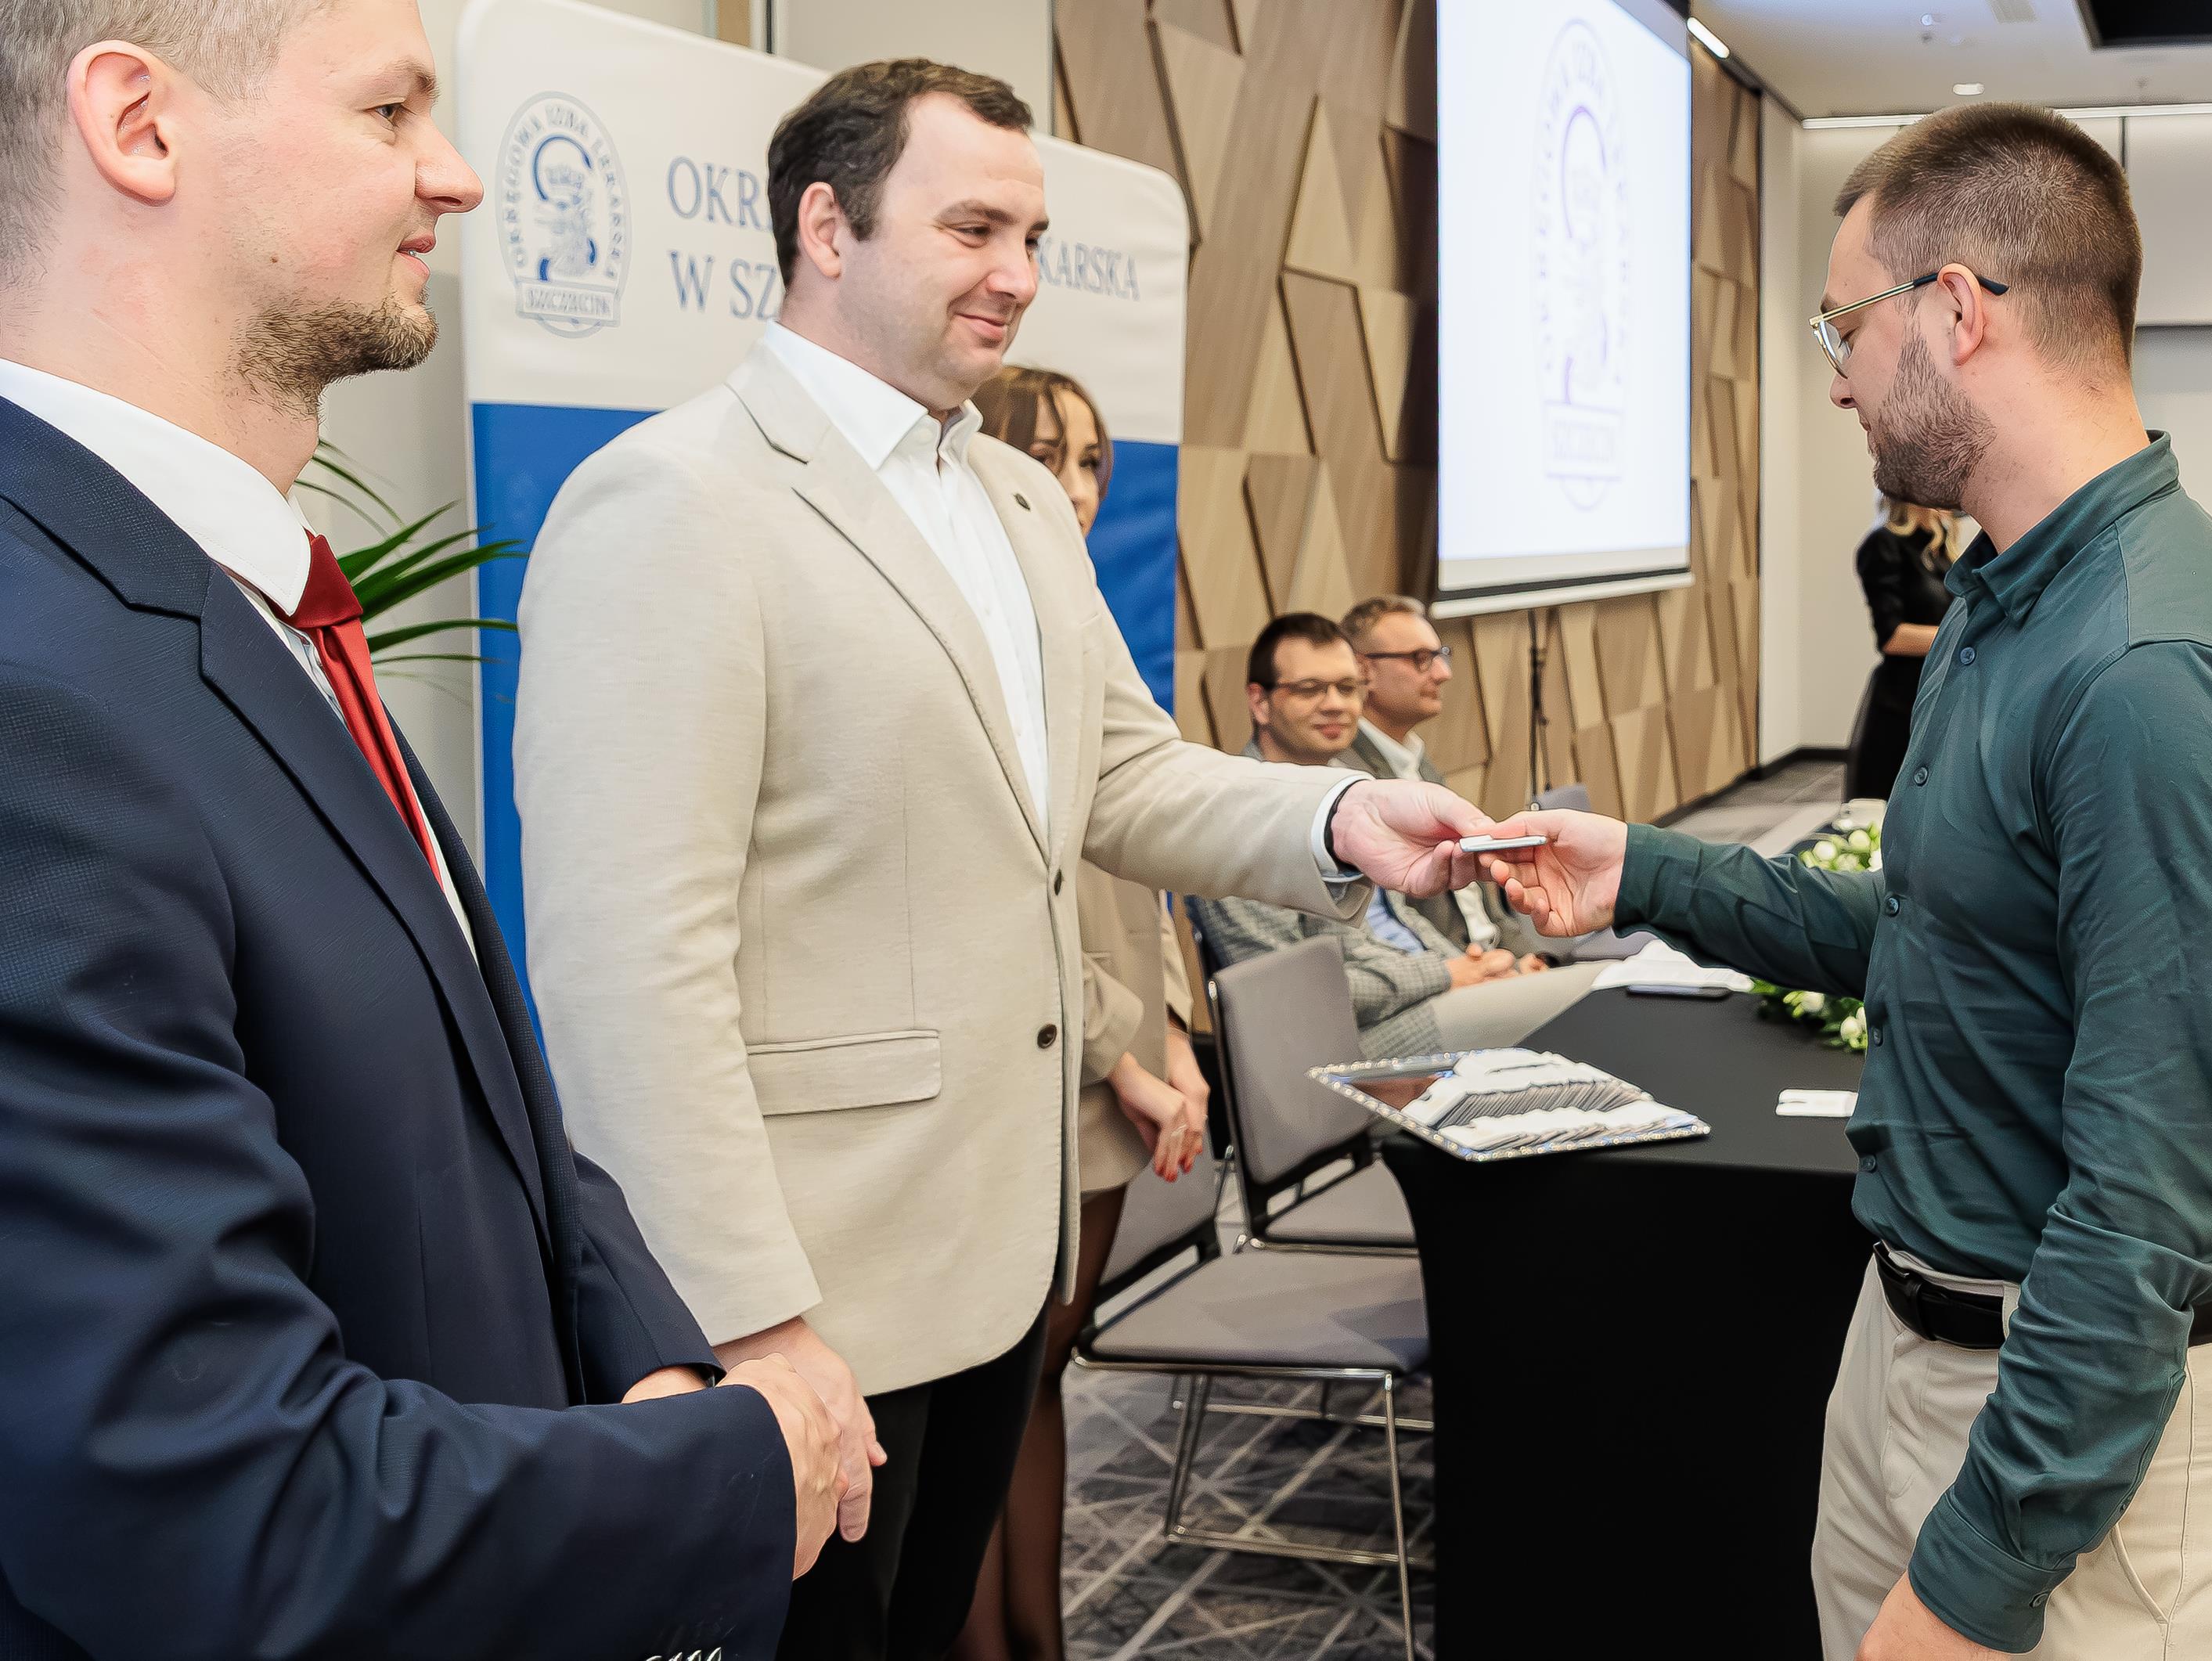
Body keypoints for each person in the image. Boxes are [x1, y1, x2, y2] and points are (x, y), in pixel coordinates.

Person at [511, 59, 1497, 1661]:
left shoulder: (1017, 495)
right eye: (973, 229)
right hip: (814, 1297)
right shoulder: (671, 502)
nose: (1019, 275)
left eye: (1031, 236)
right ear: (825, 227)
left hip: (1000, 1255)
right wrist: (751, 1321)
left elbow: (1119, 774)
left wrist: (1334, 820)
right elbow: (628, 964)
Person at [0, 2, 850, 1656]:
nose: (454, 175)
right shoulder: (40, 688)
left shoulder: (209, 594)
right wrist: (737, 1464)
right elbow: (209, 1509)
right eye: (390, 111)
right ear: (139, 126)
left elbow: (466, 1095)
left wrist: (639, 1346)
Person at [1483, 102, 2212, 1661]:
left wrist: (1981, 1571)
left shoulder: (2151, 669)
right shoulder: (2006, 603)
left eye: (1843, 324)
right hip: (1914, 1343)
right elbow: (1927, 935)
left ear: (1953, 310)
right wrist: (1641, 871)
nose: (1833, 376)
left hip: (2093, 1429)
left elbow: (2143, 1199)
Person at [952, 365, 1210, 1661]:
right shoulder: (962, 620)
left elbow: (1138, 849)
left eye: (1094, 459)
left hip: (1115, 1057)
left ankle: (1037, 1640)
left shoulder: (1079, 609)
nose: (1075, 484)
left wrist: (1173, 1032)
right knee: (981, 1397)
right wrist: (1126, 1049)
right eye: (1045, 453)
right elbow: (1003, 888)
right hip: (1032, 1063)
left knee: (1041, 1375)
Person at [1198, 614, 1604, 1058]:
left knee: (1604, 990)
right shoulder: (1237, 826)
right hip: (1354, 1040)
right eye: (1310, 689)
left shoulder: (1346, 788)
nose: (1335, 705)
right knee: (1592, 996)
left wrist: (1482, 968)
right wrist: (1446, 974)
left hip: (1426, 994)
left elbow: (1399, 921)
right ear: (1260, 703)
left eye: (1347, 688)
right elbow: (1294, 996)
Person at [1339, 593, 1547, 957]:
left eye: (1441, 655)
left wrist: (1532, 958)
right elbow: (1395, 926)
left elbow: (1485, 909)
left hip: (1497, 959)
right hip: (1452, 970)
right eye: (1421, 659)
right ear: (1363, 670)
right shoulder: (1350, 780)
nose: (1443, 673)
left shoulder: (1415, 759)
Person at [1846, 499, 1956, 800]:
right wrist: (1964, 637)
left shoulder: (1940, 550)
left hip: (1942, 692)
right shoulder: (1883, 545)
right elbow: (1892, 637)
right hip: (1903, 700)